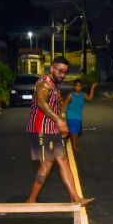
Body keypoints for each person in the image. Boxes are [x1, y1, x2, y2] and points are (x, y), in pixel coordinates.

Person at [26, 57, 94, 206]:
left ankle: (76, 199)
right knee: (47, 164)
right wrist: (59, 121)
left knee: (63, 161)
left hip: (52, 130)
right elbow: (42, 104)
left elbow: (56, 108)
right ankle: (31, 200)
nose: (62, 75)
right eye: (60, 71)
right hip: (40, 130)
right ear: (51, 68)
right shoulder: (44, 83)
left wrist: (61, 125)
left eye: (65, 72)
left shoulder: (55, 86)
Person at [62, 79, 98, 151]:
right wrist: (60, 115)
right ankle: (74, 147)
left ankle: (68, 134)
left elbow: (90, 98)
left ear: (81, 87)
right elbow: (65, 104)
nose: (78, 87)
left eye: (79, 86)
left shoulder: (83, 94)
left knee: (78, 133)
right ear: (74, 86)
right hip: (71, 115)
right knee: (75, 132)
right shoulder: (71, 95)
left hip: (78, 116)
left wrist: (92, 88)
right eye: (76, 85)